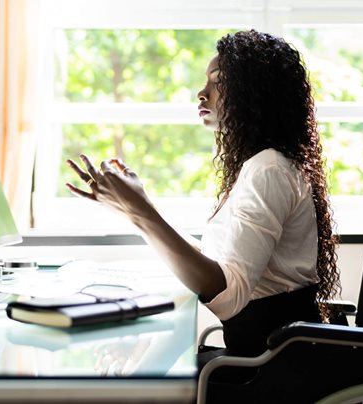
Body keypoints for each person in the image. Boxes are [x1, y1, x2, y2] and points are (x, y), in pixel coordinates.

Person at [66, 30, 340, 361]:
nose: (202, 93)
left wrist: (142, 211)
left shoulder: (269, 169)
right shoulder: (262, 165)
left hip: (270, 371)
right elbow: (216, 262)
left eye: (218, 81)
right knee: (149, 367)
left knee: (142, 377)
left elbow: (230, 296)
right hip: (262, 356)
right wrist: (132, 210)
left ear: (255, 92)